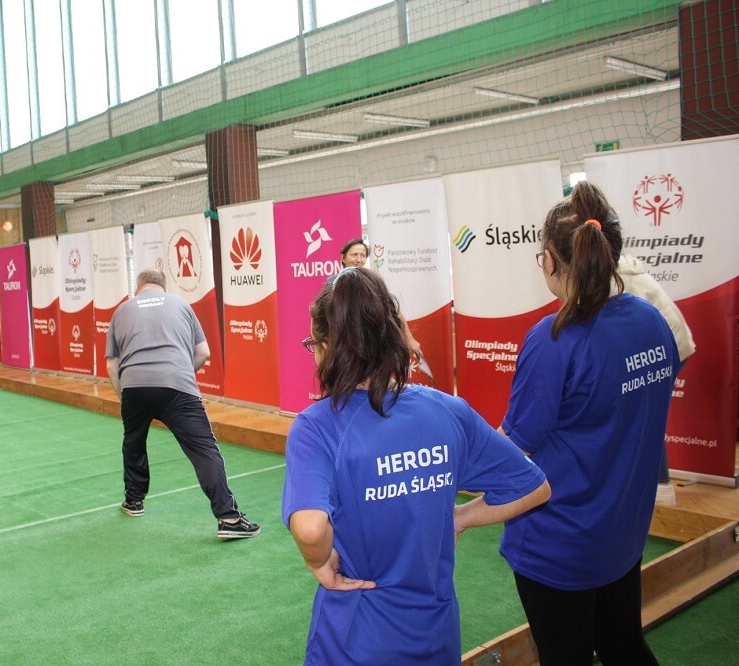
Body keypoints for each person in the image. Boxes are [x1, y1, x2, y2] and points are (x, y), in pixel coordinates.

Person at [282, 267, 551, 664]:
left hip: (355, 640)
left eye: (313, 345)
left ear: (326, 347)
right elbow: (534, 487)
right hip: (436, 635)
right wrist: (460, 518)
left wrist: (318, 561)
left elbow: (310, 527)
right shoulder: (446, 410)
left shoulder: (317, 427)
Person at [498, 181, 681, 666]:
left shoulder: (554, 339)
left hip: (559, 541)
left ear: (550, 261)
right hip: (623, 529)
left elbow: (512, 450)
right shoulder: (650, 320)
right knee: (622, 644)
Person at [106, 269, 260, 539]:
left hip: (133, 386)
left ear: (138, 287)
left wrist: (124, 395)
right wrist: (180, 374)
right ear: (163, 287)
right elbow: (203, 352)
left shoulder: (122, 310)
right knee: (203, 450)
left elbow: (111, 364)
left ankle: (134, 501)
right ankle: (228, 518)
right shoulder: (180, 304)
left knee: (133, 442)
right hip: (177, 385)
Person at [618, 253, 696, 506]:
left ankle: (661, 489)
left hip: (666, 348)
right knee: (643, 415)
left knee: (644, 416)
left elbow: (630, 328)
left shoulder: (618, 278)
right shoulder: (620, 270)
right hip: (666, 346)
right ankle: (654, 486)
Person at [338, 238, 422, 357]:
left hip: (372, 345)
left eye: (362, 255)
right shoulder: (333, 284)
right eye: (354, 255)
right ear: (343, 257)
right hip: (345, 347)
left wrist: (409, 339)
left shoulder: (372, 281)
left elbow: (392, 309)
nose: (359, 259)